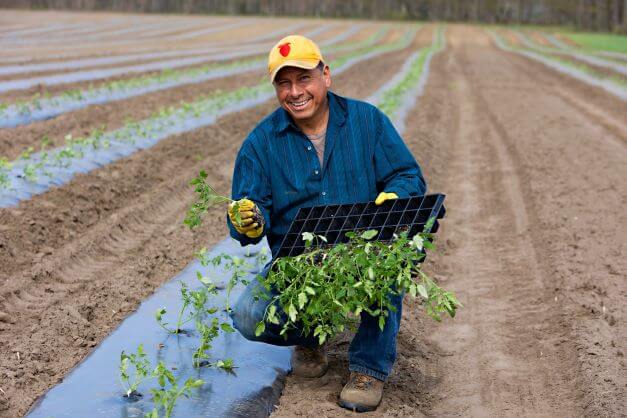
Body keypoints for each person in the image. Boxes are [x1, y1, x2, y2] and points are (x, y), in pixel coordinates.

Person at [226, 34, 426, 412]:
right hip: (298, 264)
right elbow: (249, 211)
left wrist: (395, 196)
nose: (295, 91)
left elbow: (407, 175)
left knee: (391, 267)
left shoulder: (367, 122)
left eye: (304, 79)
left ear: (326, 76)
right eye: (284, 83)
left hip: (361, 252)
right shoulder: (261, 143)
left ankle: (368, 367)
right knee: (248, 315)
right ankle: (309, 335)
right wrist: (247, 220)